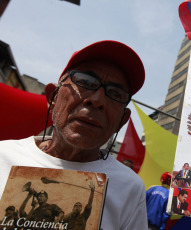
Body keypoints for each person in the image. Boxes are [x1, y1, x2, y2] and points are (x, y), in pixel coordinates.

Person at [0, 40, 147, 229]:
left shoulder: (129, 188)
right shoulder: (3, 155)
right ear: (53, 97)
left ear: (122, 120)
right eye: (85, 82)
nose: (97, 100)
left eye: (115, 94)